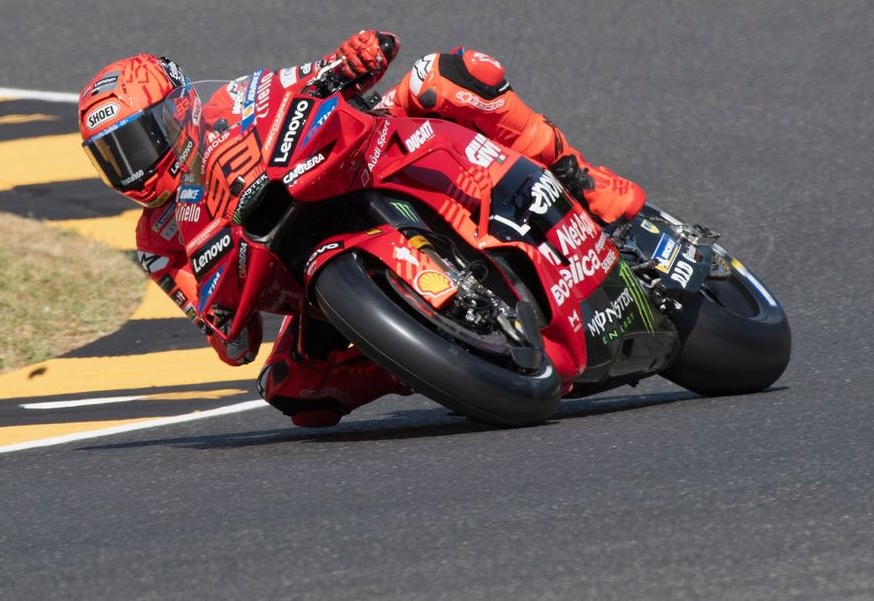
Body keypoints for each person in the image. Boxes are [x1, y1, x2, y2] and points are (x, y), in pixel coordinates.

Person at [78, 31, 645, 427]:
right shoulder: (157, 242)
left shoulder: (233, 101)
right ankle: (438, 357)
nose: (131, 169)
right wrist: (220, 311)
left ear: (176, 111)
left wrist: (352, 59)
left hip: (369, 163)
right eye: (112, 158)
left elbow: (314, 77)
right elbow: (234, 345)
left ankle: (583, 182)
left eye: (134, 144)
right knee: (295, 392)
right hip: (309, 282)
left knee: (450, 76)